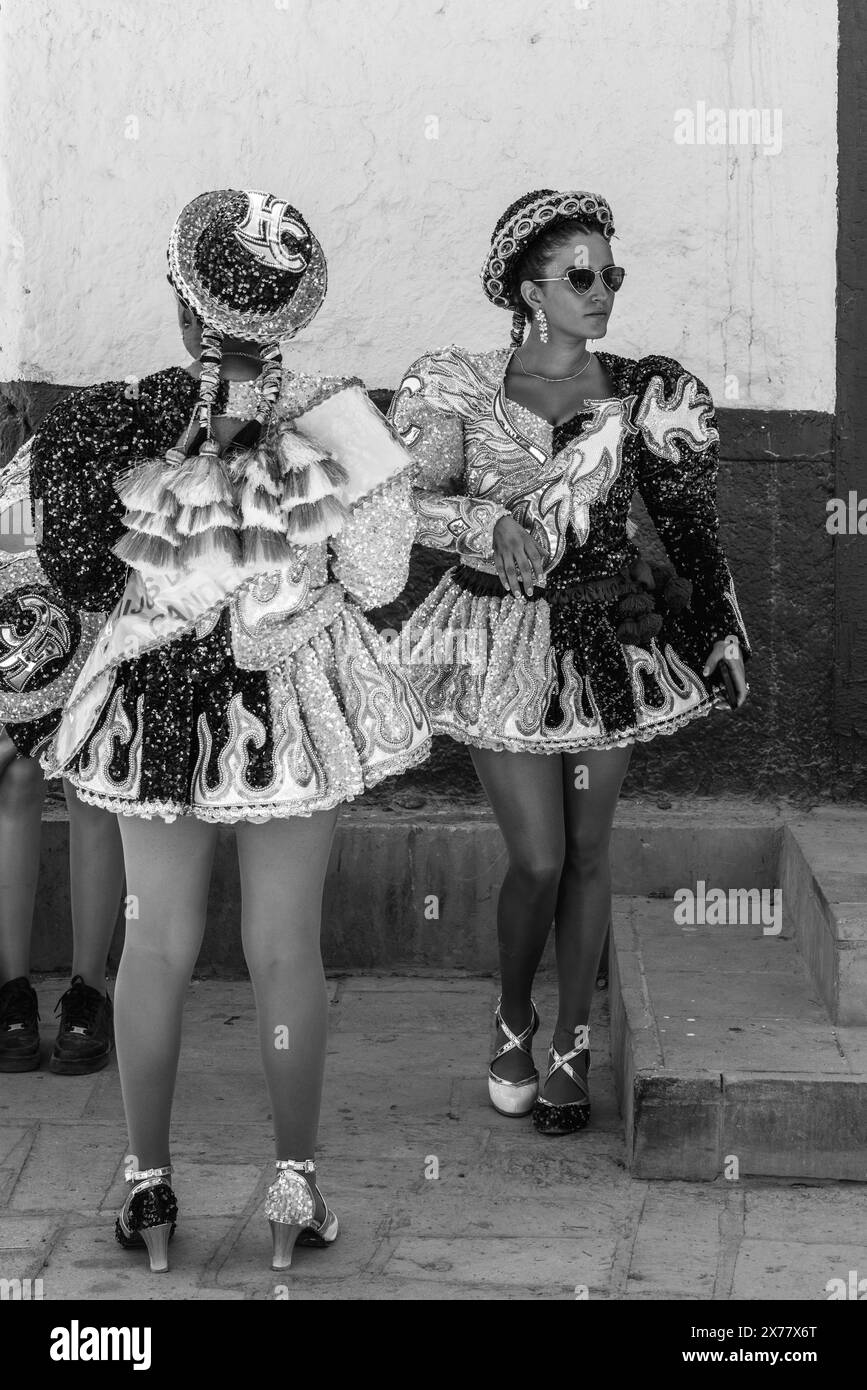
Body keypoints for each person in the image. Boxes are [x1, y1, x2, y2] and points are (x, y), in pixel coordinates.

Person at [35, 188, 431, 1271]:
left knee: (154, 941)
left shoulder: (124, 418)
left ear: (184, 302)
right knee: (282, 946)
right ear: (289, 312)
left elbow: (72, 563)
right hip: (285, 717)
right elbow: (382, 573)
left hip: (153, 710)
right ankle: (294, 1189)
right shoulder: (340, 422)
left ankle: (148, 1191)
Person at [389, 188, 750, 1137]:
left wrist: (720, 625)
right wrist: (486, 519)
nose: (600, 294)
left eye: (610, 276)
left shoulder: (645, 391)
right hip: (496, 639)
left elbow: (686, 526)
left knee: (590, 852)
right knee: (538, 859)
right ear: (526, 289)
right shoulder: (453, 386)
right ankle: (513, 1013)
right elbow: (397, 507)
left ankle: (571, 1044)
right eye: (579, 277)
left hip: (606, 641)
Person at [0, 442, 122, 1074]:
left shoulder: (142, 469)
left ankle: (88, 991)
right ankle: (10, 990)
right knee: (16, 776)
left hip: (108, 651)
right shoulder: (26, 488)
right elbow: (11, 579)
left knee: (91, 782)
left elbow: (134, 600)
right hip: (25, 659)